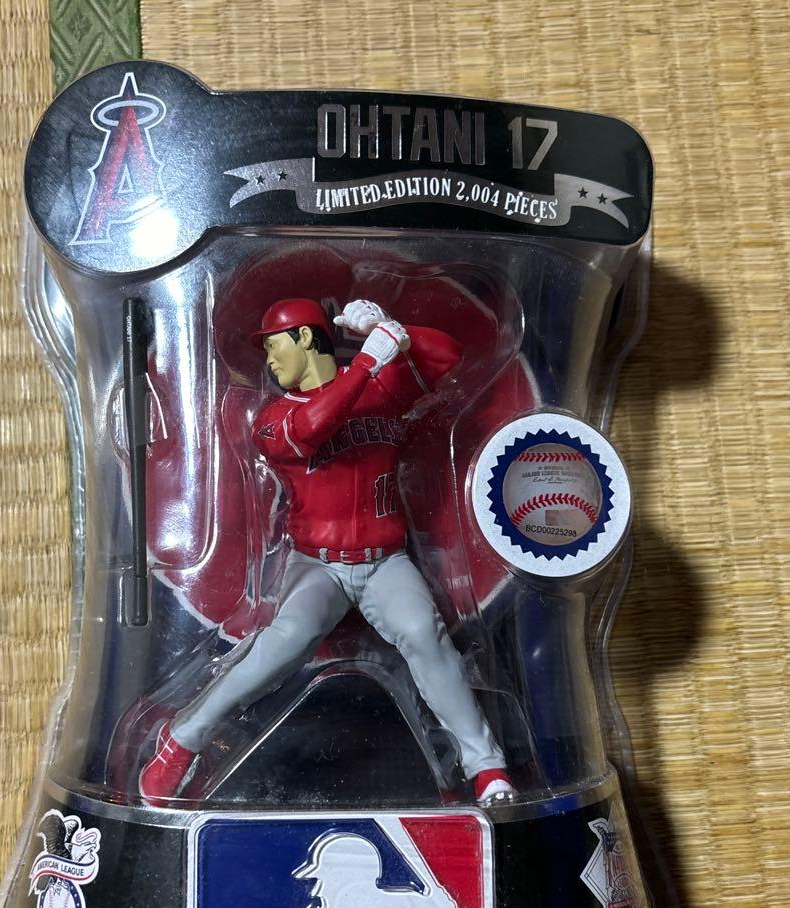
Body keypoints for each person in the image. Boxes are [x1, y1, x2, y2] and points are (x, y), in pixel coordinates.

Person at [139, 298, 515, 807]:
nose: (270, 360)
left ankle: (487, 768)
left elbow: (447, 354)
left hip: (386, 561)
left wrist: (388, 327)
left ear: (306, 338)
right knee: (286, 639)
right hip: (317, 565)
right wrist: (366, 361)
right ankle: (183, 738)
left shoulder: (381, 389)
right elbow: (312, 426)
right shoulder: (275, 417)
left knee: (424, 634)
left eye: (275, 345)